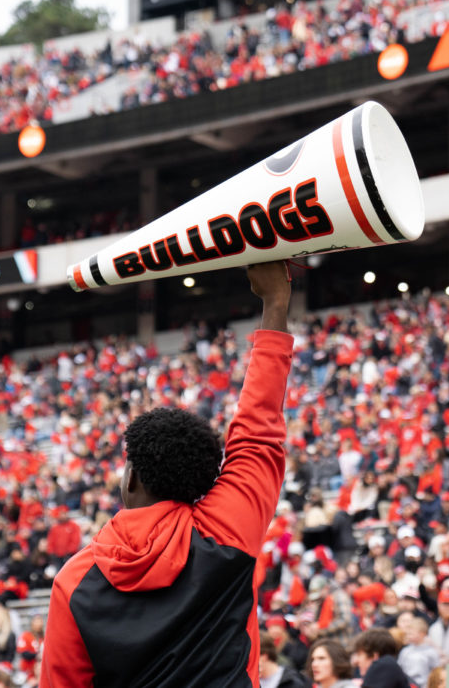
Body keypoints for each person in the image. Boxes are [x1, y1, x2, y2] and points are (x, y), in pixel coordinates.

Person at [40, 262, 293, 686]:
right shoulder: (227, 529)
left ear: (133, 478)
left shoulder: (74, 581)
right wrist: (275, 303)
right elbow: (258, 430)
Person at [397, 616, 440, 687]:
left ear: (422, 634)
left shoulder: (431, 652)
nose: (408, 636)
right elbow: (399, 668)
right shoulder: (405, 651)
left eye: (411, 633)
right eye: (408, 633)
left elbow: (436, 672)